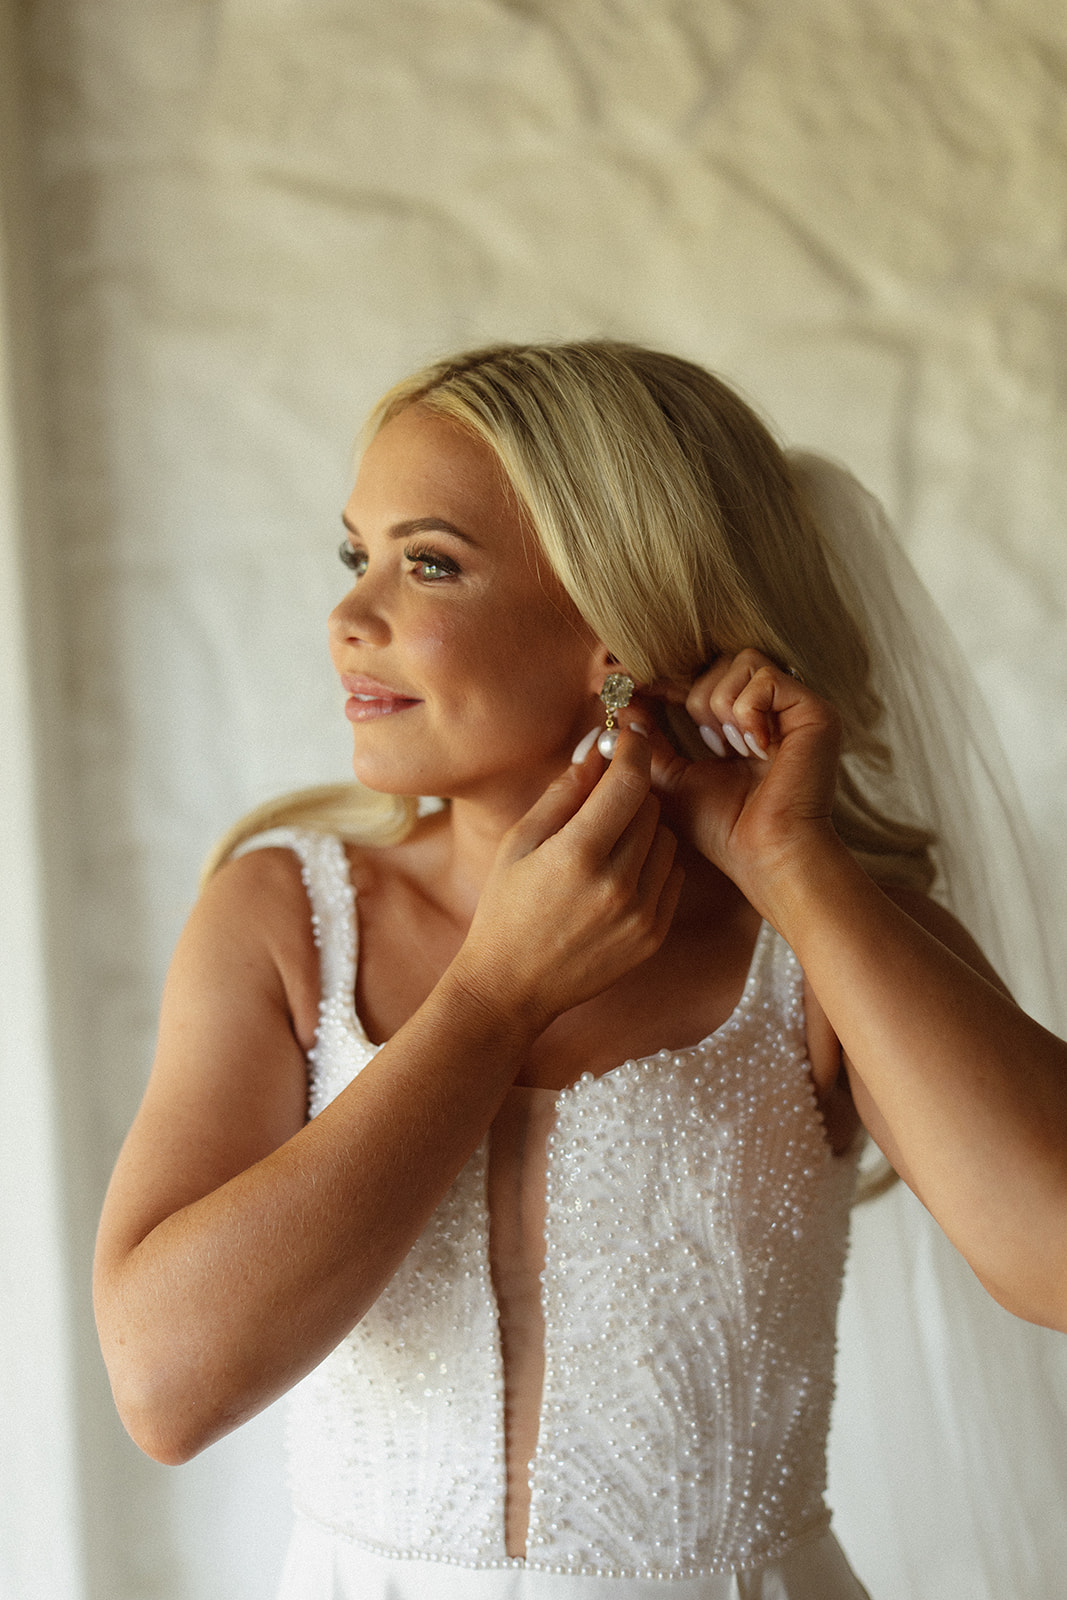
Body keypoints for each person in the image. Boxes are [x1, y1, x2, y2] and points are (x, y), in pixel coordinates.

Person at [93, 341, 1067, 1600]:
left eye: (427, 562)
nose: (349, 615)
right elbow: (165, 1390)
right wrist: (490, 999)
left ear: (614, 624)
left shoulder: (822, 938)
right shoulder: (283, 916)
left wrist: (792, 866)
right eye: (357, 555)